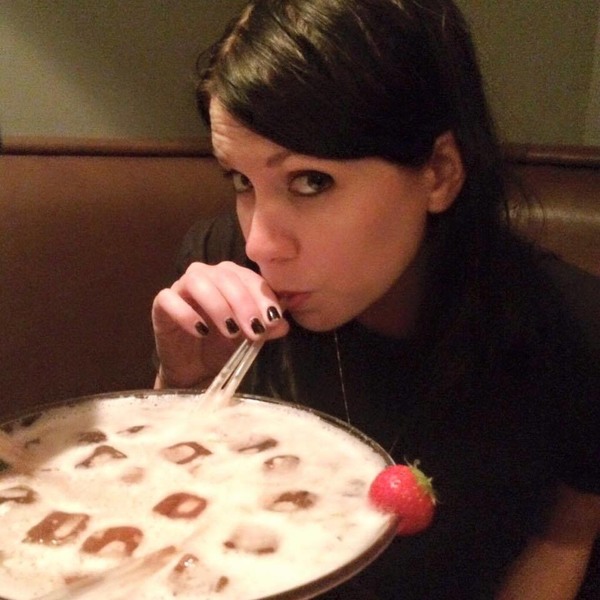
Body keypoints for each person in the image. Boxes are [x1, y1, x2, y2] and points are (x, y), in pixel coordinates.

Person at [151, 0, 600, 598]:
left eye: (311, 181)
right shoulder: (222, 276)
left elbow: (564, 537)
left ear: (438, 173)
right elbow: (177, 531)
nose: (261, 245)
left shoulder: (570, 331)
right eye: (241, 181)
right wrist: (182, 388)